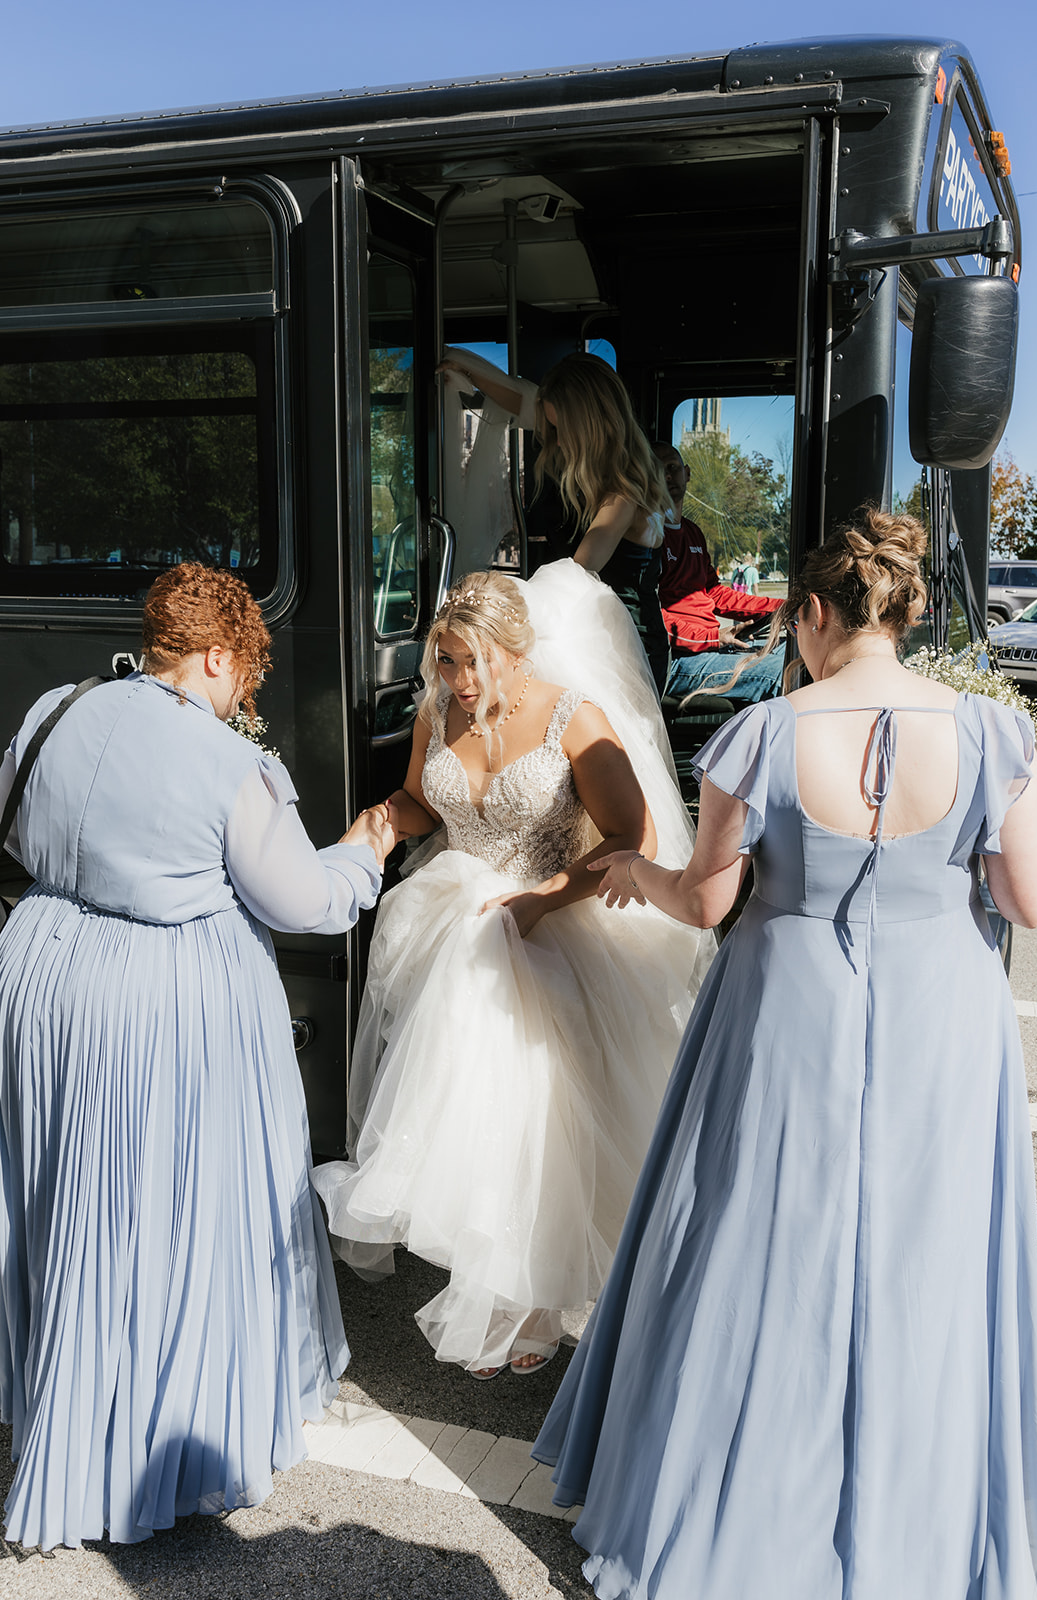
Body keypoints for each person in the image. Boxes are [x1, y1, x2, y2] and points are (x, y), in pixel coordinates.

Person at [533, 510, 1037, 1599]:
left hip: (784, 1001)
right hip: (943, 1014)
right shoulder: (991, 733)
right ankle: (919, 1508)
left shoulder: (760, 734)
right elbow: (1027, 901)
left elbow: (710, 901)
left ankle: (745, 1495)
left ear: (812, 614)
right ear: (905, 614)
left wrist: (637, 873)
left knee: (763, 1242)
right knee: (927, 1252)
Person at [0, 563, 393, 1551]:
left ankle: (68, 1402)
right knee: (168, 1219)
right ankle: (148, 1456)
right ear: (217, 655)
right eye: (241, 679)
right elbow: (301, 901)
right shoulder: (232, 765)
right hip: (159, 999)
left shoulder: (58, 707)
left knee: (70, 1205)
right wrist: (362, 852)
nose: (241, 700)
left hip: (43, 969)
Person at [313, 562, 708, 1377]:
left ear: (515, 652)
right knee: (472, 1122)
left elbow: (632, 839)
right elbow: (428, 799)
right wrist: (387, 817)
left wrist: (541, 900)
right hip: (457, 929)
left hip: (557, 928)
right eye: (445, 661)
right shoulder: (437, 709)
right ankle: (491, 1287)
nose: (457, 681)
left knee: (547, 1126)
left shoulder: (572, 716)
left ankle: (537, 1299)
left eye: (471, 661)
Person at [439, 351, 673, 692]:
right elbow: (519, 400)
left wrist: (497, 602)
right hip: (582, 634)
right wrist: (465, 371)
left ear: (591, 424)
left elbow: (578, 572)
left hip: (625, 650)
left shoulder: (625, 492)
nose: (558, 440)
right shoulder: (595, 469)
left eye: (563, 428)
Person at [653, 441, 784, 704]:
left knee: (793, 656)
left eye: (673, 467)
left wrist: (780, 607)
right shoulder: (649, 536)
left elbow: (714, 594)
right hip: (676, 661)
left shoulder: (692, 532)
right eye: (657, 469)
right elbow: (651, 619)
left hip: (712, 647)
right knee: (783, 675)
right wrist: (714, 637)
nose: (668, 475)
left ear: (686, 473)